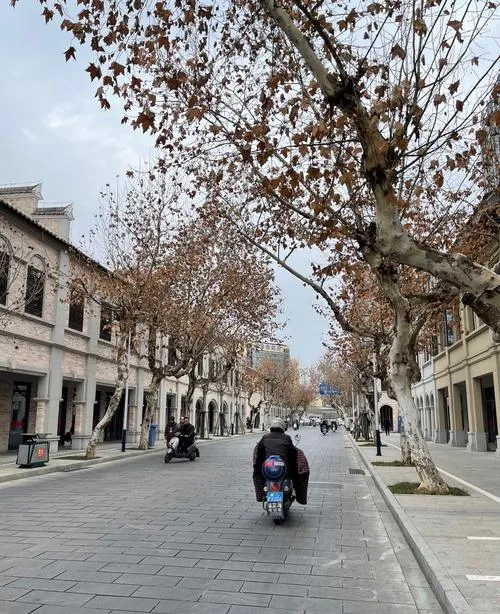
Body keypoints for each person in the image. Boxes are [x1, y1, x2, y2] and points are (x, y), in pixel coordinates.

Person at [253, 417, 298, 483]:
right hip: (284, 471)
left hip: (267, 470)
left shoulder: (265, 437)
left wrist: (257, 467)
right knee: (297, 475)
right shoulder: (287, 438)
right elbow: (292, 454)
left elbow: (259, 455)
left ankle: (259, 489)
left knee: (257, 475)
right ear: (283, 427)